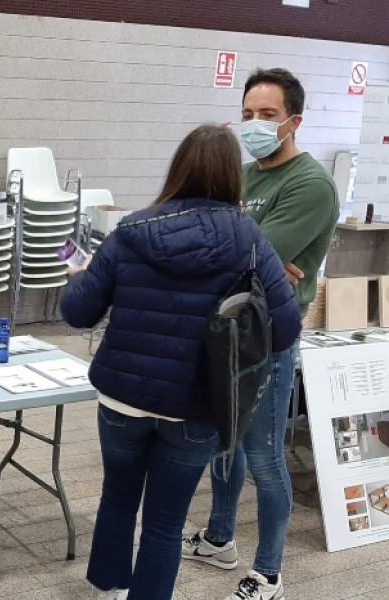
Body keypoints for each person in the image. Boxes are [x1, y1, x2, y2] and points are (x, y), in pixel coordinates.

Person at [60, 124, 301, 600]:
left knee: (117, 497)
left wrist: (80, 274)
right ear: (233, 176)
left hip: (122, 397)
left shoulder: (132, 229)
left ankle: (107, 588)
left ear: (177, 168)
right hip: (197, 404)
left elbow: (77, 312)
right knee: (166, 523)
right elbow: (286, 329)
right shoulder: (249, 238)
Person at [182, 68, 339, 600]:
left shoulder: (310, 185)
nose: (254, 124)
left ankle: (268, 570)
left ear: (293, 120)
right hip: (226, 330)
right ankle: (220, 538)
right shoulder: (245, 175)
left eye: (267, 116)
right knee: (224, 444)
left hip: (268, 339)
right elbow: (214, 239)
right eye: (248, 114)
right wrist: (249, 256)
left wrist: (247, 255)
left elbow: (240, 253)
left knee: (266, 456)